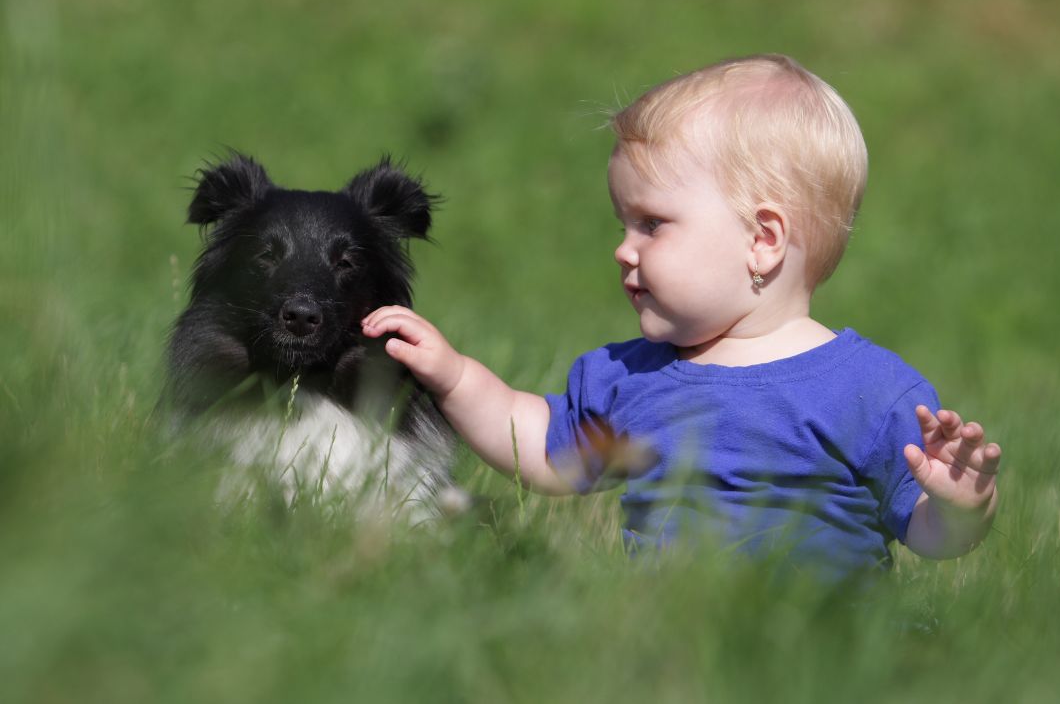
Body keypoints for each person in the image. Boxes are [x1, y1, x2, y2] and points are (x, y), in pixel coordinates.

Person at [362, 54, 1000, 576]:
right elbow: (543, 453)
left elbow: (928, 535)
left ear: (764, 240)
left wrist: (958, 508)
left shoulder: (871, 391)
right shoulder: (633, 379)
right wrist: (453, 376)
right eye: (623, 224)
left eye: (652, 224)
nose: (622, 248)